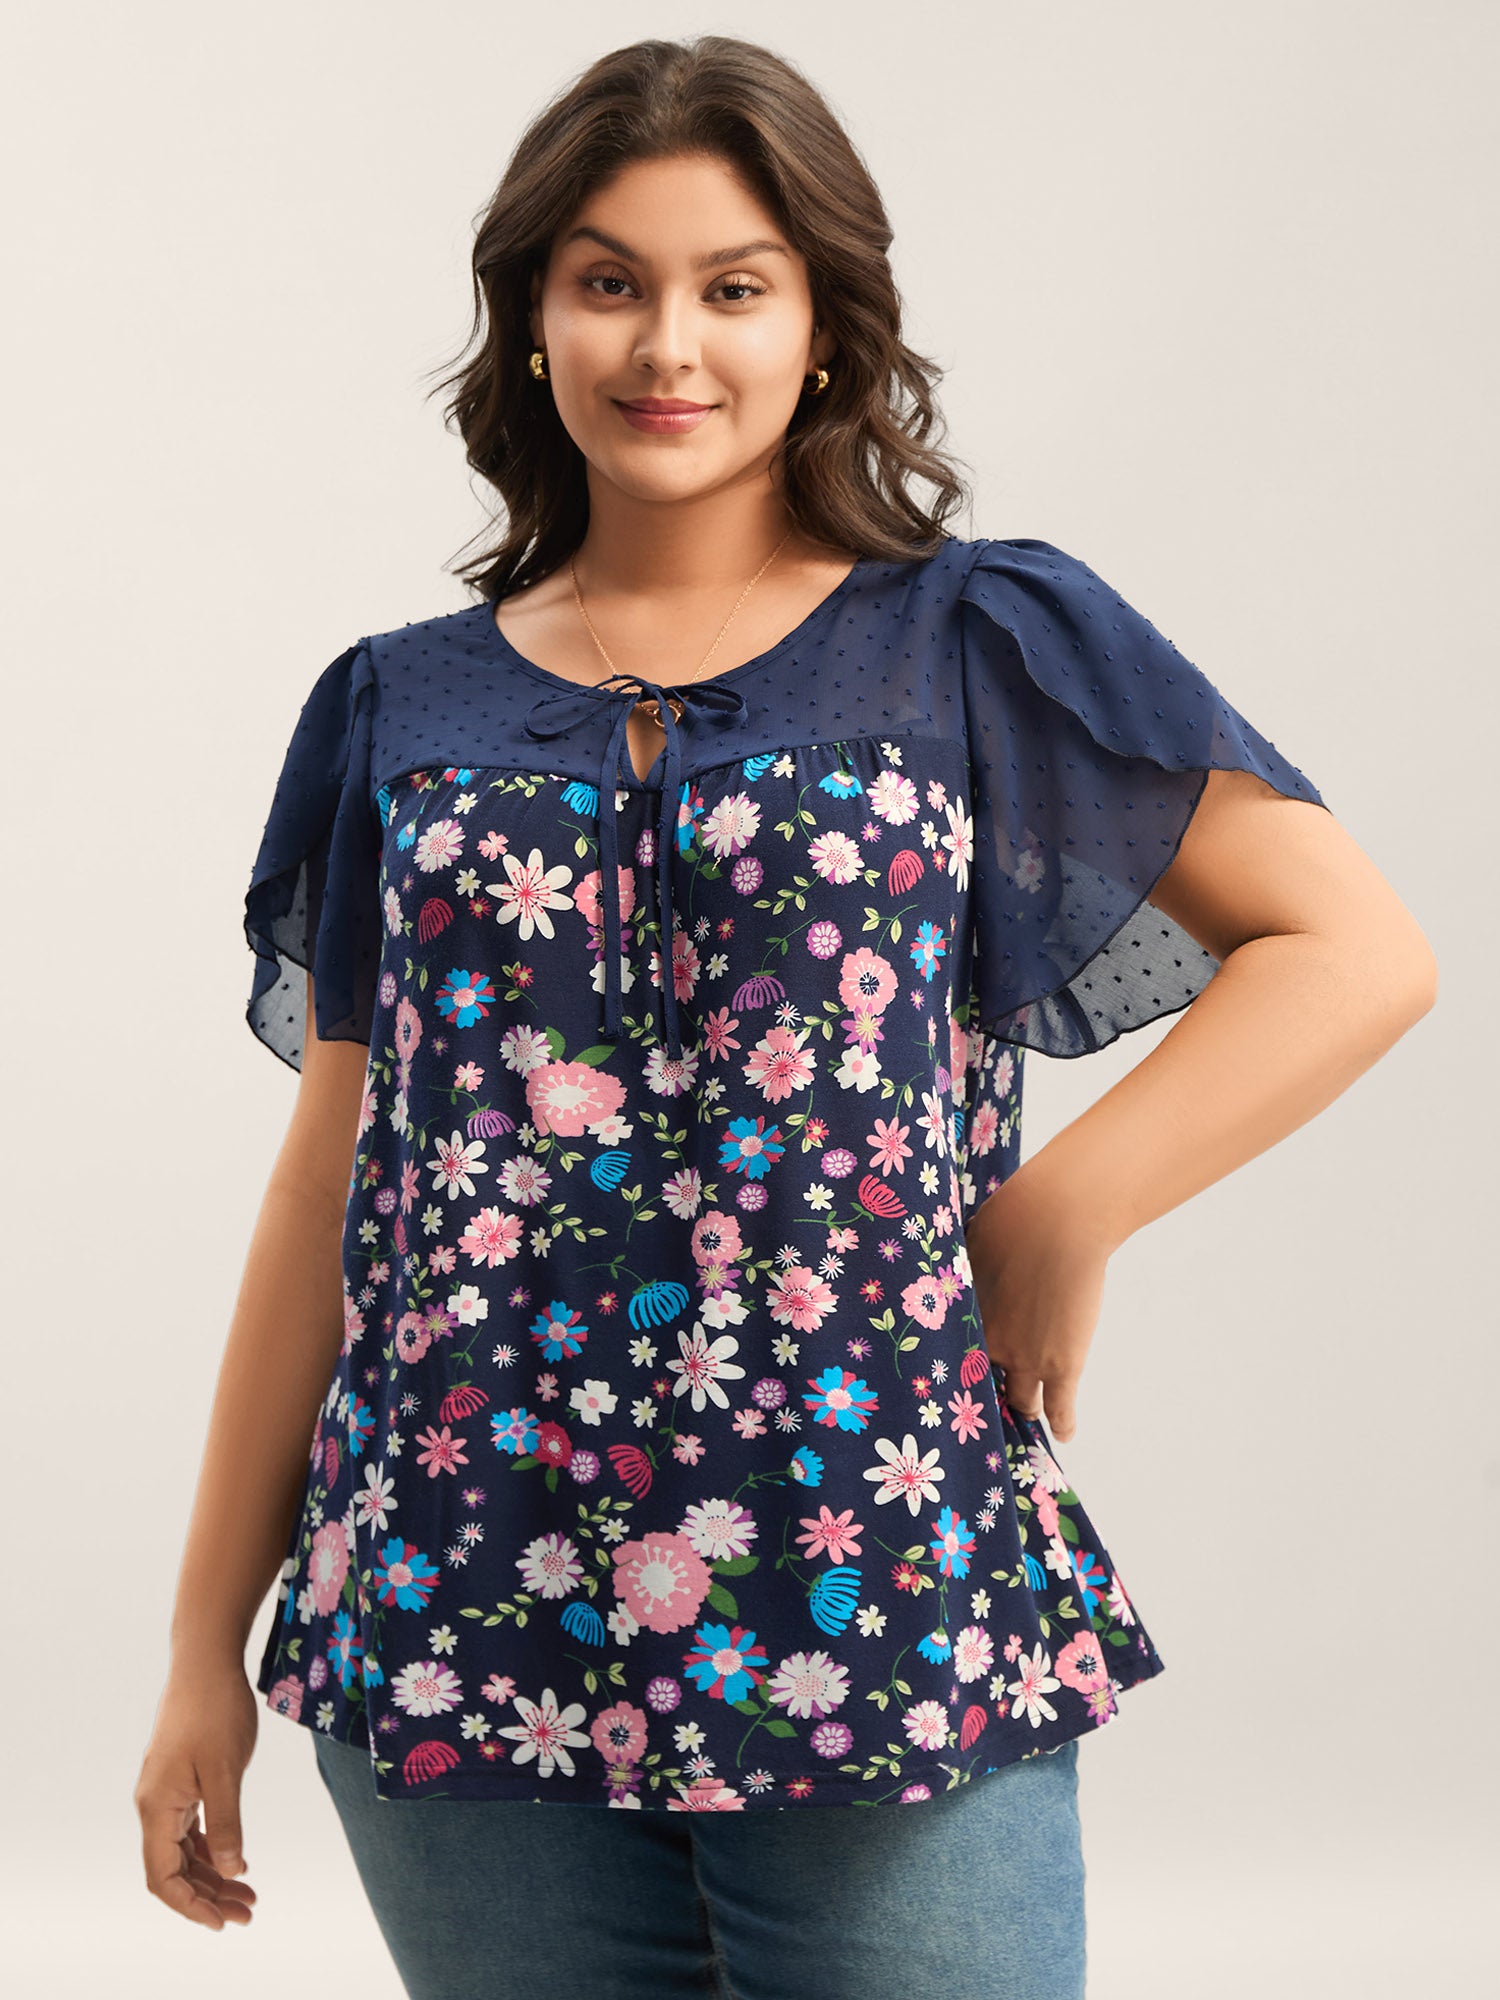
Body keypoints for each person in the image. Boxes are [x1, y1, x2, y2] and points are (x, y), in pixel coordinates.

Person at [134, 32, 1437, 2000]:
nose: (670, 343)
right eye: (610, 280)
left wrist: (1064, 1209)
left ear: (823, 327)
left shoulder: (970, 642)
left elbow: (1353, 946)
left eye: (734, 286)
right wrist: (196, 1651)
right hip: (455, 1601)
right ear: (532, 321)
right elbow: (334, 1181)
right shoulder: (399, 707)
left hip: (869, 1593)